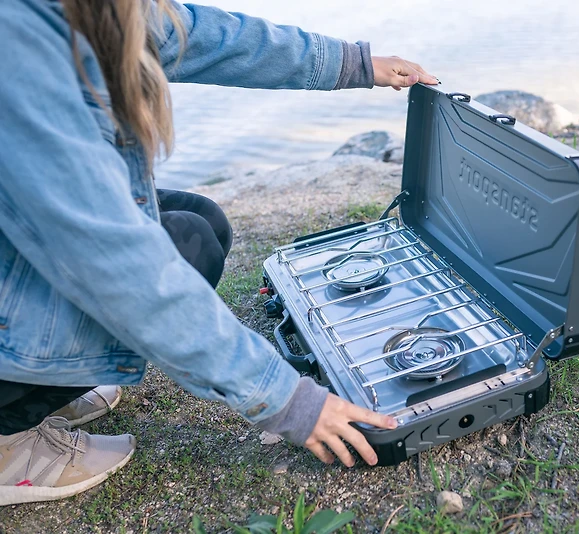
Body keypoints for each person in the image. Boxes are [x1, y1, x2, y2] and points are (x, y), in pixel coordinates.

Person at [0, 0, 438, 506]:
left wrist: (354, 65)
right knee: (178, 254)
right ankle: (7, 436)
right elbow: (116, 260)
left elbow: (211, 36)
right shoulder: (16, 38)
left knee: (199, 226)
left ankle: (35, 390)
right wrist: (286, 399)